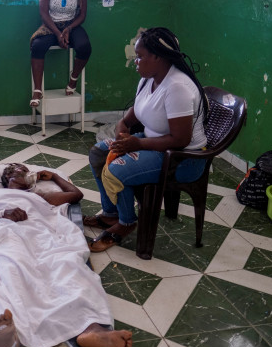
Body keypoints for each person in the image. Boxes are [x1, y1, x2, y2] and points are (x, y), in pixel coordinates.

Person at [0, 163, 133, 347]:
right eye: (21, 170)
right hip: (7, 231)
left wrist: (53, 176)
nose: (27, 173)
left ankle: (92, 329)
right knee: (13, 266)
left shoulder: (38, 196)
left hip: (42, 233)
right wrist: (2, 213)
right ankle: (8, 334)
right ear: (9, 175)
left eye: (28, 171)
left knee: (69, 266)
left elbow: (76, 195)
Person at [84, 27, 209, 252]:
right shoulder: (148, 79)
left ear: (158, 57)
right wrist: (122, 131)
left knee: (116, 169)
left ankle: (126, 222)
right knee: (99, 153)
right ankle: (111, 214)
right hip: (155, 143)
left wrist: (137, 143)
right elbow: (130, 118)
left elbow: (181, 139)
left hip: (182, 159)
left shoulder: (177, 87)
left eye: (140, 56)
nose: (136, 61)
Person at [29, 0, 91, 107]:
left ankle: (73, 80)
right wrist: (58, 33)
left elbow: (82, 15)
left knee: (85, 47)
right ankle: (37, 90)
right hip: (51, 25)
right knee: (37, 46)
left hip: (72, 25)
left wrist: (68, 29)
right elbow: (43, 13)